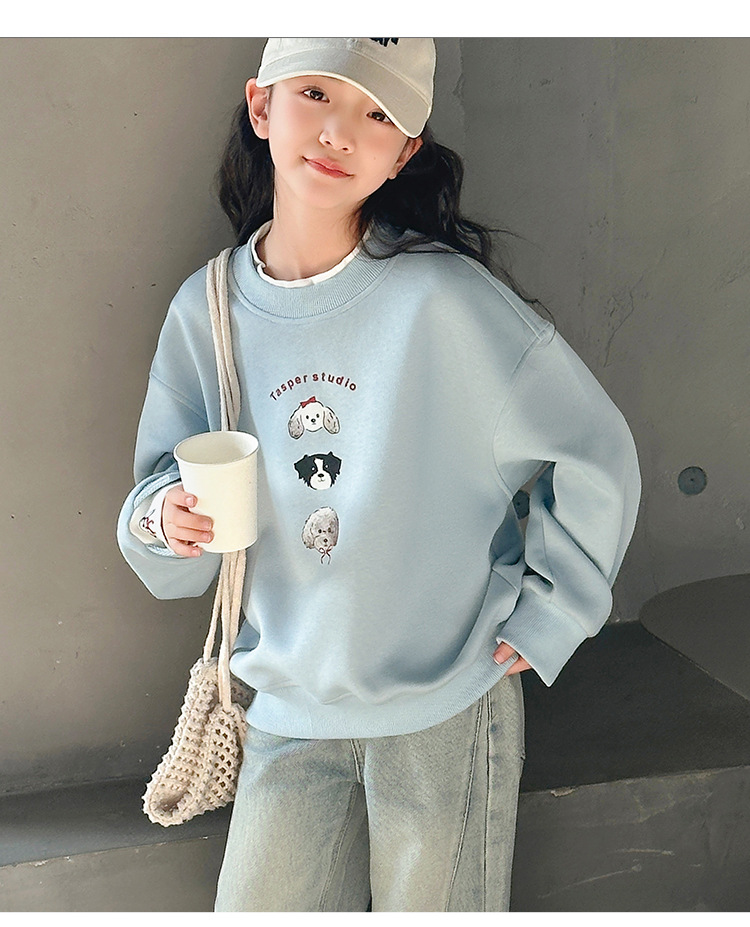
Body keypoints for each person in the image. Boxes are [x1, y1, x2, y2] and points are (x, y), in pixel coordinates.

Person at [117, 38, 642, 912]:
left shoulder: (446, 301)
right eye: (316, 94)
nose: (339, 131)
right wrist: (166, 518)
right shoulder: (206, 312)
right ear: (262, 107)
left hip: (445, 703)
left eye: (377, 114)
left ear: (405, 152)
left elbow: (594, 449)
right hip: (285, 704)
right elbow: (158, 516)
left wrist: (555, 612)